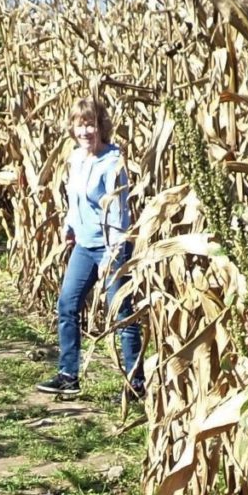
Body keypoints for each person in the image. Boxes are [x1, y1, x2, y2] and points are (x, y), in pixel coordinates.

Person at [37, 96, 143, 403]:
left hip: (110, 249)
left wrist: (114, 252)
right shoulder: (76, 157)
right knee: (67, 306)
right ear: (72, 127)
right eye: (79, 124)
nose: (85, 131)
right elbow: (75, 197)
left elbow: (118, 211)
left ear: (102, 126)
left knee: (122, 315)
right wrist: (70, 225)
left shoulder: (113, 162)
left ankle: (136, 383)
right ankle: (68, 376)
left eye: (91, 124)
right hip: (84, 245)